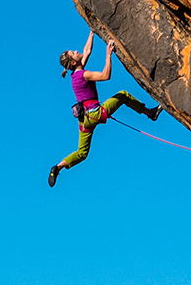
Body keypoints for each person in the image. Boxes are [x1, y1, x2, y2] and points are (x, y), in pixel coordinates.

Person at [49, 29, 161, 187]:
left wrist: (91, 32)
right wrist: (108, 54)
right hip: (94, 113)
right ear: (73, 62)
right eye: (73, 53)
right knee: (122, 95)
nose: (76, 51)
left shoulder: (75, 74)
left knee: (82, 152)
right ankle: (151, 113)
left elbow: (87, 50)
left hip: (83, 121)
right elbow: (105, 76)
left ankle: (58, 167)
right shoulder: (83, 75)